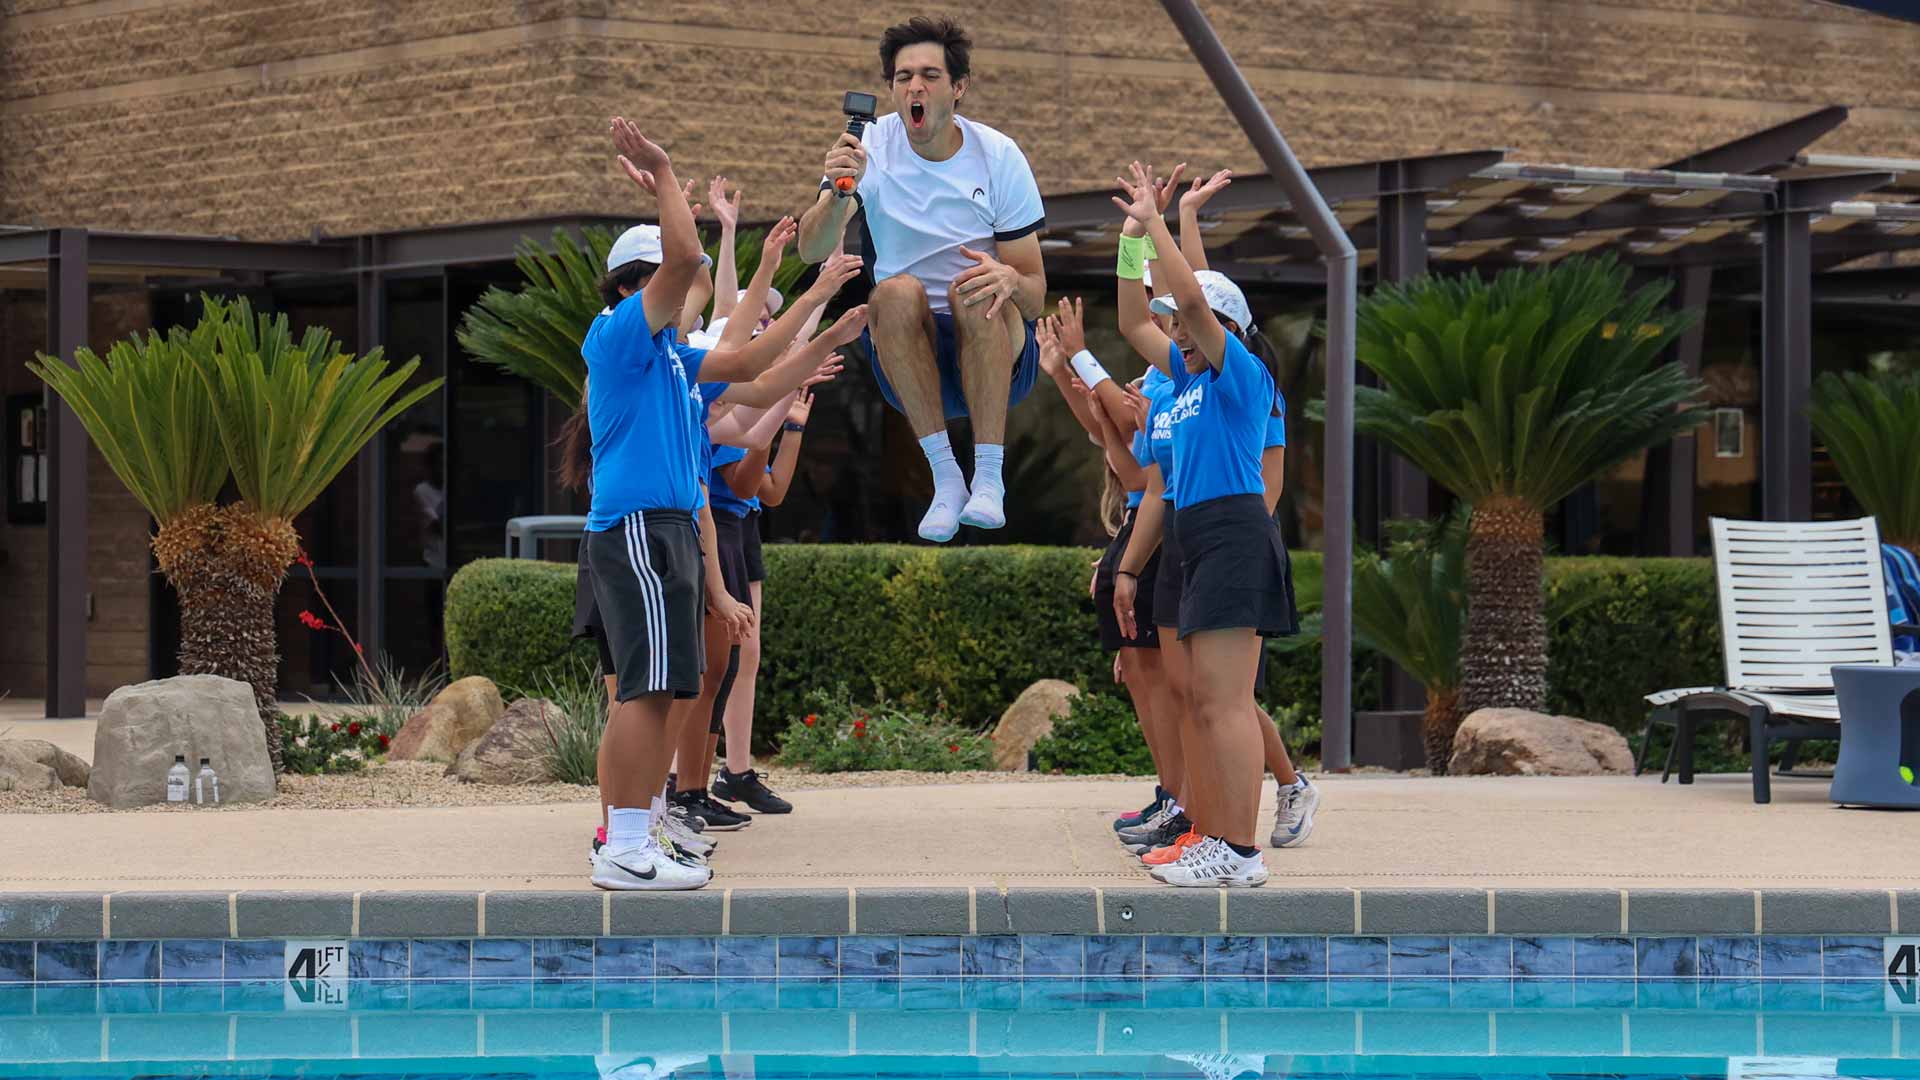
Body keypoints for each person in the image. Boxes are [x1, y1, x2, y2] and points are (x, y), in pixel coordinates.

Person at [582, 116, 860, 891]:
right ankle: (623, 844)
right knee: (644, 691)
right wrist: (667, 175)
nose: (690, 287)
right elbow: (685, 258)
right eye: (671, 280)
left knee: (665, 689)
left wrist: (825, 311)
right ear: (637, 289)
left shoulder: (671, 357)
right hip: (639, 529)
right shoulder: (621, 339)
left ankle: (636, 835)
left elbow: (756, 366)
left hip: (667, 529)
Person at [1109, 160, 1297, 888]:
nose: (1176, 331)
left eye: (1189, 324)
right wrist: (1132, 238)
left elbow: (1188, 293)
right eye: (1176, 328)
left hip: (1233, 530)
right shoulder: (1184, 378)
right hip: (1198, 531)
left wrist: (1163, 222)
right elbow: (1133, 315)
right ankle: (1212, 835)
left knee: (1225, 704)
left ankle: (1239, 852)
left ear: (1220, 327)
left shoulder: (1239, 373)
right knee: (1206, 702)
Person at [797, 15, 1047, 543]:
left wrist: (1007, 278)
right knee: (892, 290)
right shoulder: (868, 149)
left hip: (995, 348)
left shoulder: (998, 156)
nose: (915, 86)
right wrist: (840, 192)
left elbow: (1034, 293)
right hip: (910, 355)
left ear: (958, 89)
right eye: (903, 76)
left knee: (973, 286)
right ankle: (946, 477)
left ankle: (988, 475)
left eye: (930, 75)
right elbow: (811, 249)